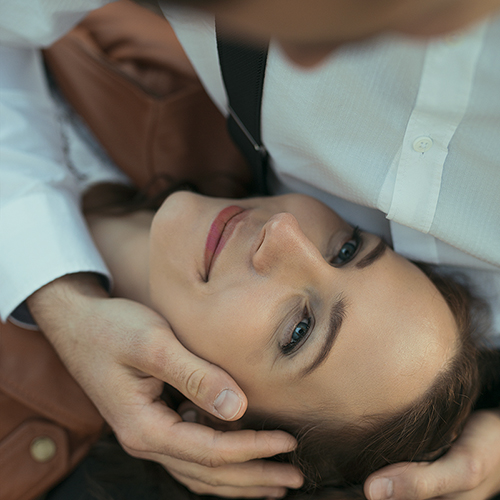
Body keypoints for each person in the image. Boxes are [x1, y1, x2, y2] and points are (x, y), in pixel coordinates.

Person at [1, 0, 499, 499]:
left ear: (212, 422)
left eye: (298, 330)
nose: (284, 232)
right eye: (347, 249)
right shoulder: (194, 99)